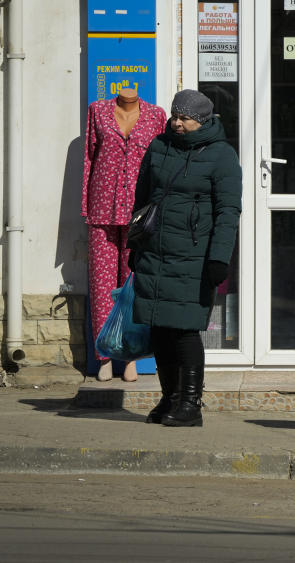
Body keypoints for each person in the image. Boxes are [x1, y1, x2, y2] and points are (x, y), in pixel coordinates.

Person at [129, 89, 242, 427]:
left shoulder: (222, 156)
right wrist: (135, 248)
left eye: (185, 118)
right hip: (155, 251)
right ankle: (170, 398)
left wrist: (218, 258)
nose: (177, 123)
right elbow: (142, 198)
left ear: (203, 120)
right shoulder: (159, 146)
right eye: (174, 116)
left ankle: (191, 405)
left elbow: (228, 211)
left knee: (184, 330)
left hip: (194, 256)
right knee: (159, 329)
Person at [83, 87, 167, 382]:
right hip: (103, 208)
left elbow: (160, 163)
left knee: (133, 285)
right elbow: (89, 160)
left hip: (140, 213)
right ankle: (104, 355)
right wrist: (86, 206)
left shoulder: (156, 115)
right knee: (102, 285)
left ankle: (130, 355)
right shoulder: (98, 111)